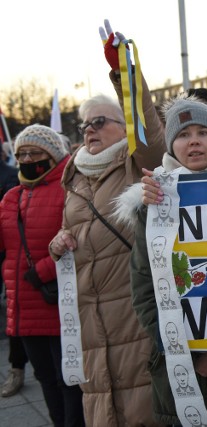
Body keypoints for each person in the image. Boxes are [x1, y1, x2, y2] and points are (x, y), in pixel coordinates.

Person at [117, 94, 207, 426]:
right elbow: (145, 291)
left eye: (203, 132)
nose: (193, 141)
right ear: (171, 146)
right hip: (186, 373)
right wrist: (193, 355)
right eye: (182, 134)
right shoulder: (154, 205)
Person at [47, 92, 165, 423]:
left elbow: (151, 132)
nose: (89, 130)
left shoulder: (136, 165)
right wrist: (58, 244)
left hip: (134, 319)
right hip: (91, 327)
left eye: (99, 122)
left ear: (124, 125)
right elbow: (68, 230)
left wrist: (124, 77)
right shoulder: (75, 179)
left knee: (142, 406)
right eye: (84, 124)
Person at [0, 125, 85, 425]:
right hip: (23, 308)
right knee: (46, 379)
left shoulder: (69, 189)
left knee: (69, 380)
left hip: (58, 304)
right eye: (22, 153)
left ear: (52, 156)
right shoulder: (11, 196)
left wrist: (42, 270)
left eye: (35, 153)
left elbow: (78, 239)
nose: (27, 158)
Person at [0, 141, 26, 399]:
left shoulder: (10, 178)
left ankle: (16, 368)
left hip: (21, 262)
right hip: (9, 260)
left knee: (18, 318)